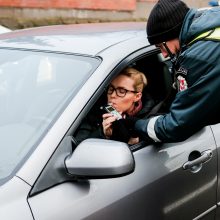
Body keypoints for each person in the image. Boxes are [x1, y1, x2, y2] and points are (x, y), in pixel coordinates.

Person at [123, 0, 220, 143]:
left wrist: (135, 125)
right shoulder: (211, 21)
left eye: (161, 46)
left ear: (173, 33)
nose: (165, 55)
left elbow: (177, 126)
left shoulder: (198, 58)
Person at [74, 67, 155, 144]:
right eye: (111, 89)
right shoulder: (95, 113)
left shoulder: (151, 116)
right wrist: (103, 134)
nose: (112, 95)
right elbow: (79, 148)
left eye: (121, 91)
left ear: (137, 96)